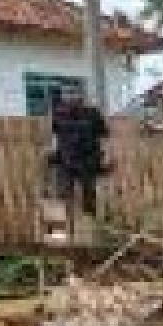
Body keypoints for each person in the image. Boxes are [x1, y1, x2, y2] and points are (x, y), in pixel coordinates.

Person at [49, 84, 109, 233]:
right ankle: (63, 230)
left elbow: (104, 137)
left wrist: (106, 156)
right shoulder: (58, 113)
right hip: (65, 160)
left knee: (89, 195)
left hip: (88, 160)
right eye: (67, 94)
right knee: (63, 194)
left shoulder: (93, 114)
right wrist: (52, 151)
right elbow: (55, 135)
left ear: (81, 96)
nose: (70, 97)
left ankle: (91, 229)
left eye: (74, 93)